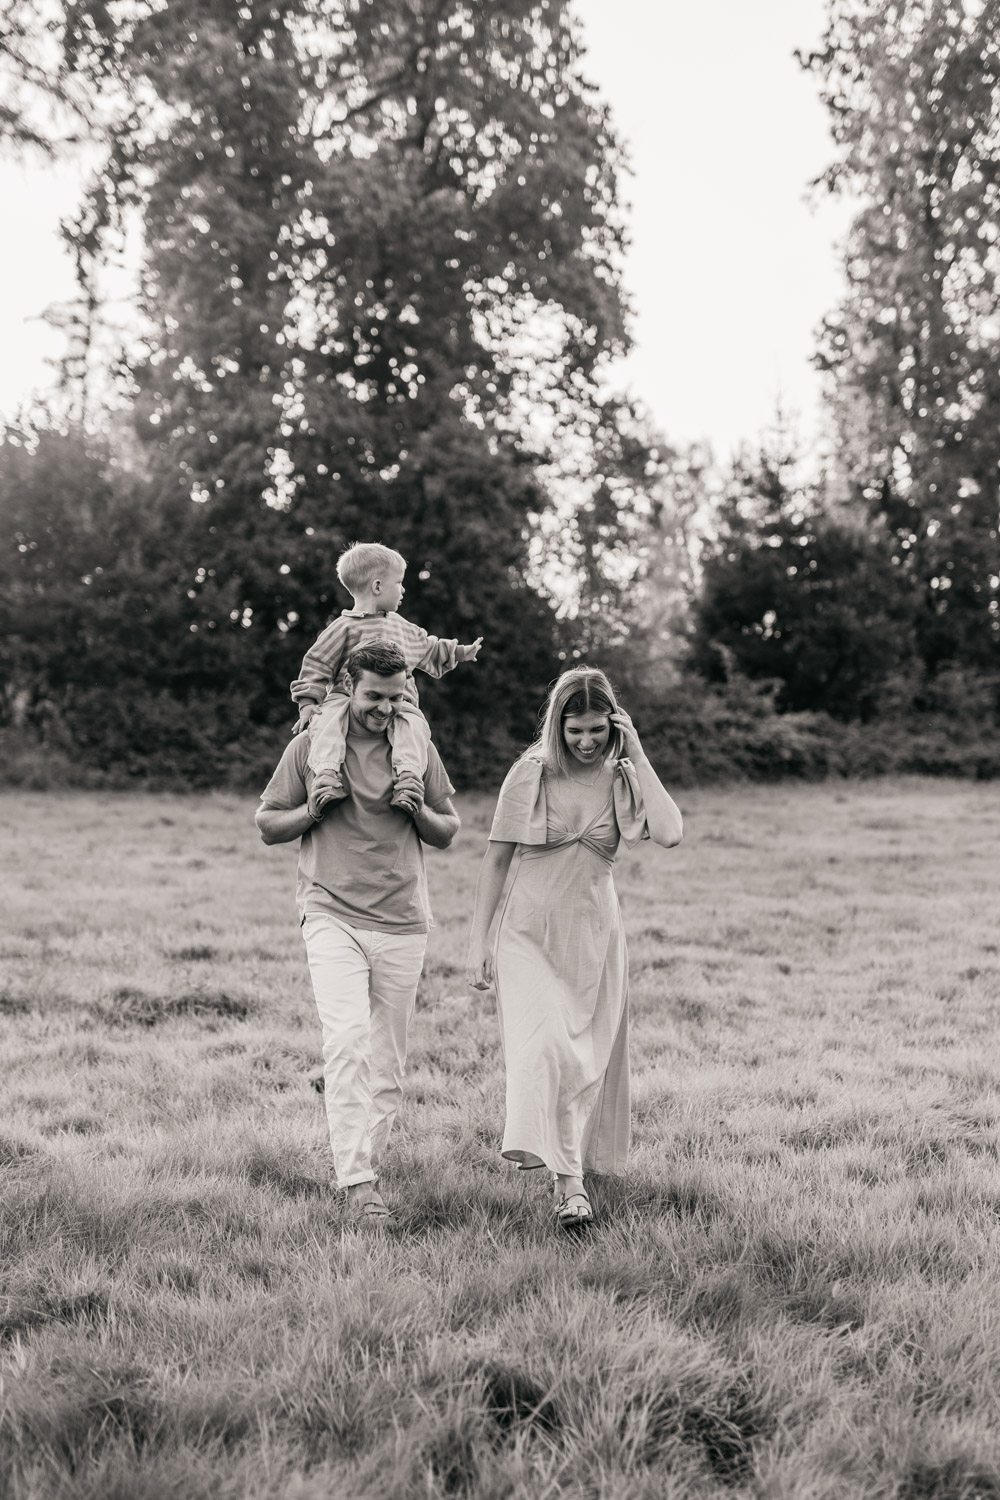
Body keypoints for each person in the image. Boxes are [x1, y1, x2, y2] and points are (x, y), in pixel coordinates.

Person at [465, 667, 683, 1228]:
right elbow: (495, 861)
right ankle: (571, 1188)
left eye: (597, 731)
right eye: (574, 731)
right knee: (545, 1051)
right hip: (529, 936)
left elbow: (670, 831)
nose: (586, 742)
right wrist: (478, 943)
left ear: (612, 726)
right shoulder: (529, 773)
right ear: (556, 726)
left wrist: (635, 749)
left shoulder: (621, 775)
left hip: (594, 937)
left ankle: (570, 1173)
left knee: (583, 1059)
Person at [257, 638, 461, 1220]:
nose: (385, 708)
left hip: (402, 920)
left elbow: (449, 829)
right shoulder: (311, 747)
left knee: (387, 1063)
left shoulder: (416, 746)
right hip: (330, 911)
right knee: (346, 1042)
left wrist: (417, 810)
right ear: (349, 688)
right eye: (374, 696)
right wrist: (312, 811)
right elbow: (269, 824)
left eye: (396, 698)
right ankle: (359, 1185)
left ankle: (363, 1154)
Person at [290, 541, 482, 808]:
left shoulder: (402, 627)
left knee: (414, 728)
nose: (403, 590)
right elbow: (317, 665)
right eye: (399, 583)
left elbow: (428, 647)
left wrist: (460, 652)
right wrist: (308, 706)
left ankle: (408, 781)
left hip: (400, 702)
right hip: (345, 701)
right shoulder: (343, 628)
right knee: (326, 723)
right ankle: (327, 777)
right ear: (378, 586)